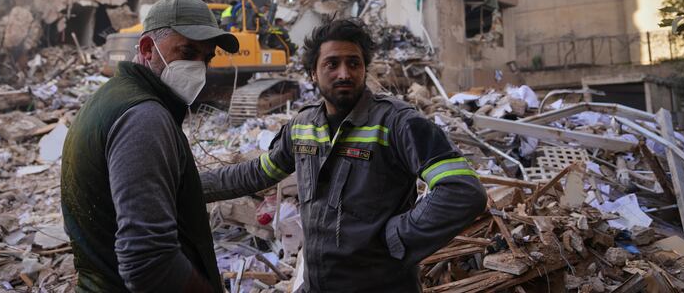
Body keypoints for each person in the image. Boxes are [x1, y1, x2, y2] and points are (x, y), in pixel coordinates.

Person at [201, 18, 487, 292]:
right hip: (320, 284)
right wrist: (190, 185)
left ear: (365, 69)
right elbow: (258, 173)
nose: (344, 73)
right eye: (331, 64)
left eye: (354, 63)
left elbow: (461, 190)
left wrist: (397, 236)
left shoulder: (397, 123)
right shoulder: (302, 128)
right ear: (313, 72)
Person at [61, 0, 239, 293]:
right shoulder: (144, 118)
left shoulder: (112, 98)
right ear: (147, 48)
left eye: (206, 59)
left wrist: (271, 166)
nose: (199, 68)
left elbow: (165, 188)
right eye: (188, 52)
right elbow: (149, 262)